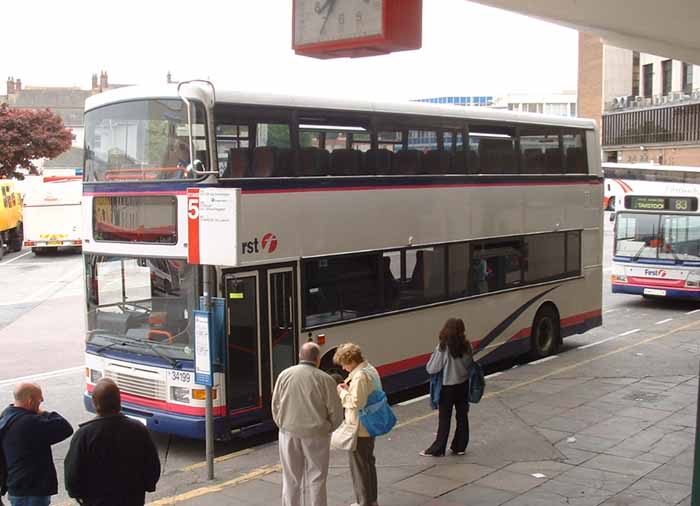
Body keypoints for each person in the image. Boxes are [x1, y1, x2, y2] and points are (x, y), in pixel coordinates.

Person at [64, 378, 160, 506]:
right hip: (132, 499)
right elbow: (152, 465)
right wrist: (146, 486)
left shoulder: (84, 435)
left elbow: (72, 475)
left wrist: (78, 495)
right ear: (119, 402)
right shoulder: (138, 429)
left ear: (94, 403)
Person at [272, 342, 343, 506]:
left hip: (288, 432)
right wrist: (328, 428)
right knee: (317, 477)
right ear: (318, 359)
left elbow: (275, 405)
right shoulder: (325, 379)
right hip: (317, 435)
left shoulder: (285, 375)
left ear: (299, 357)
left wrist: (283, 424)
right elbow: (336, 411)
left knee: (290, 478)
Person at [0, 383, 73, 506]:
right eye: (40, 399)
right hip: (34, 489)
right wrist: (42, 412)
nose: (42, 400)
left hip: (15, 487)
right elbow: (65, 427)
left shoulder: (5, 419)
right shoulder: (32, 422)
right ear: (29, 401)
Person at [334, 343, 381, 506]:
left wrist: (343, 393)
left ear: (352, 361)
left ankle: (364, 502)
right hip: (370, 425)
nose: (344, 368)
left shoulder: (360, 376)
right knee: (368, 463)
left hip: (360, 428)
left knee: (359, 467)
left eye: (344, 364)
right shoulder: (370, 369)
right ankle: (371, 499)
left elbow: (356, 402)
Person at [421, 318, 473, 457]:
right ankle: (460, 446)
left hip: (447, 388)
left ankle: (438, 448)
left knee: (444, 419)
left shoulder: (443, 348)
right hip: (463, 385)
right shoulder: (467, 346)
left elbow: (432, 368)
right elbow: (469, 366)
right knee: (462, 416)